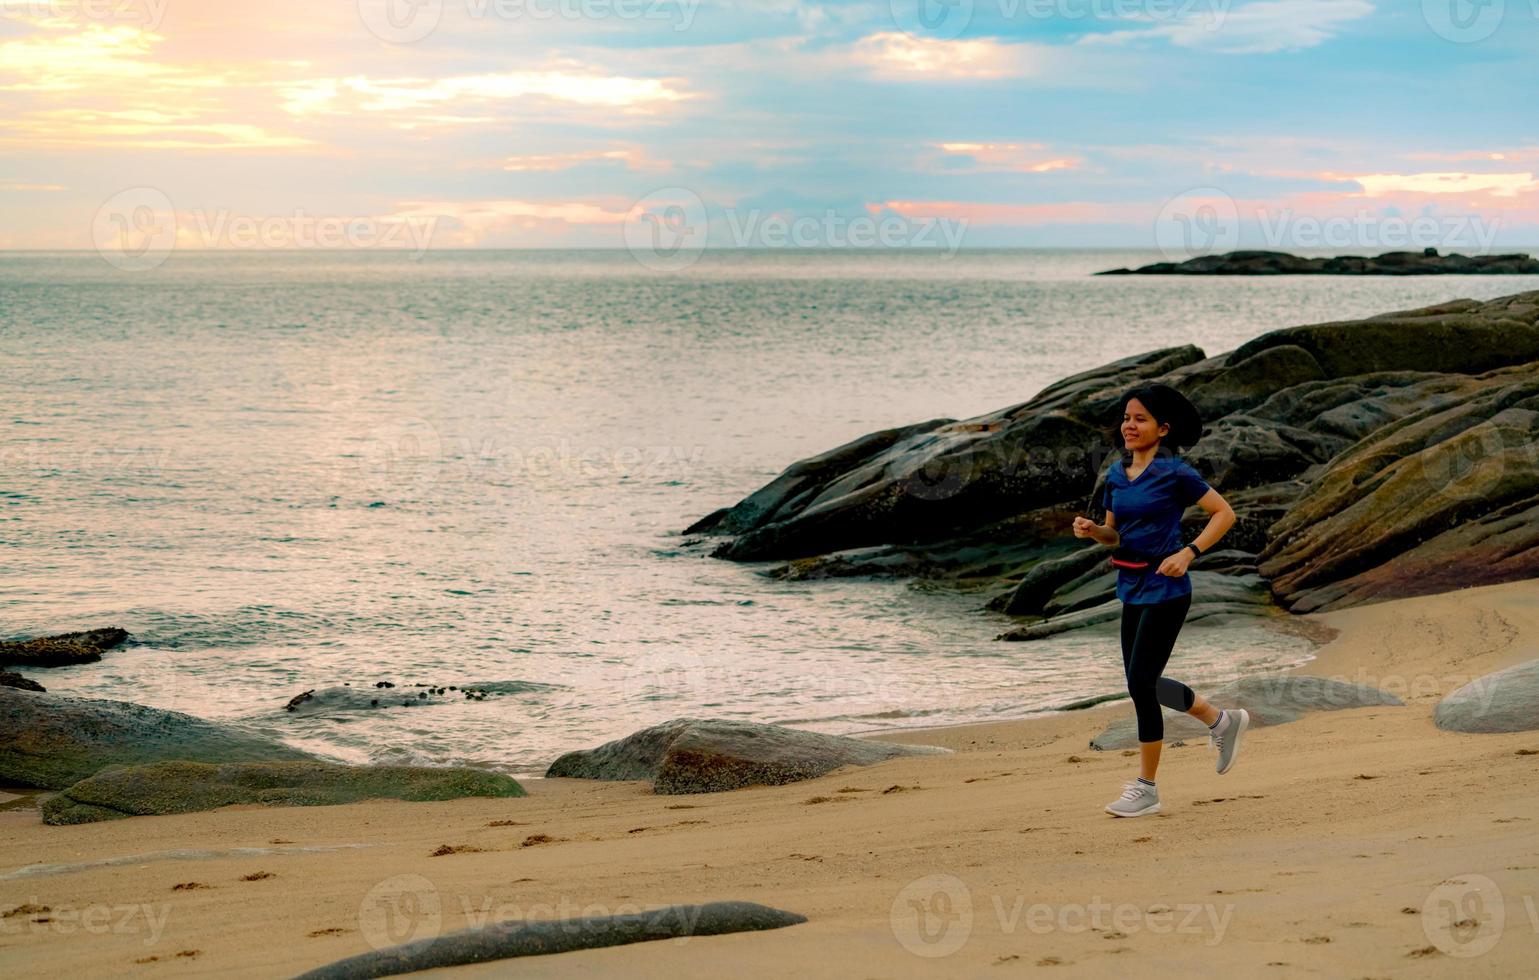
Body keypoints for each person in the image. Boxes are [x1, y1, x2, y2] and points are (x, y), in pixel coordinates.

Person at [1070, 383, 1247, 818]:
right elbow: (1116, 533)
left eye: (1141, 419)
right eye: (1127, 418)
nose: (1130, 425)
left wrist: (1189, 553)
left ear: (1163, 429)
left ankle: (1146, 787)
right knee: (1142, 681)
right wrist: (1095, 532)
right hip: (1130, 586)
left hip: (1168, 590)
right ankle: (1220, 720)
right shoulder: (1115, 473)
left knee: (1141, 685)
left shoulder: (1176, 473)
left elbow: (1224, 513)